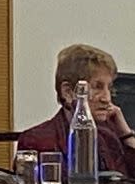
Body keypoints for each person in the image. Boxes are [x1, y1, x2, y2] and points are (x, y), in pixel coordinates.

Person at [17, 44, 135, 176]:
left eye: (110, 88)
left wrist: (125, 133)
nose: (107, 98)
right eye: (97, 87)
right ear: (68, 92)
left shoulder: (110, 138)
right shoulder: (37, 140)